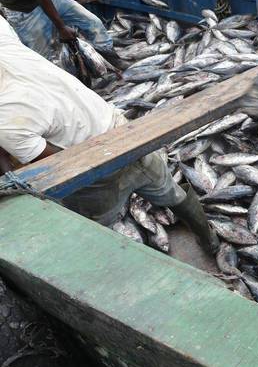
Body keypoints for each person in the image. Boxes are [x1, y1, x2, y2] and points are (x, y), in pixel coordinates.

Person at [0, 15, 219, 254]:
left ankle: (115, 269)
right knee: (170, 192)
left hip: (95, 171)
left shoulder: (7, 121)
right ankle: (209, 240)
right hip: (125, 134)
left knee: (94, 228)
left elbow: (56, 165)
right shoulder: (6, 46)